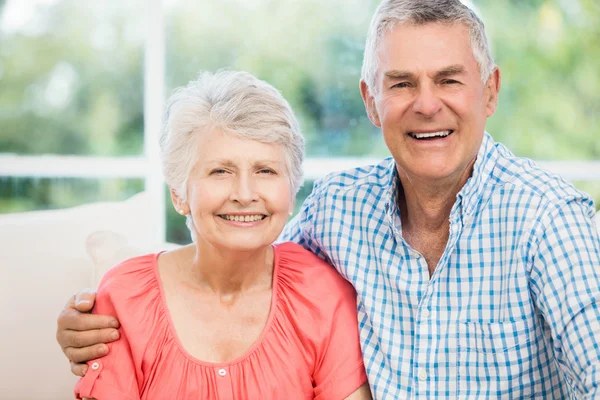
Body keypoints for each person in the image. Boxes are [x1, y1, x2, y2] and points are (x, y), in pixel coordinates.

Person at [58, 0, 600, 398]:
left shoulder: (549, 222)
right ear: (371, 99)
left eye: (450, 80)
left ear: (490, 91)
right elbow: (240, 255)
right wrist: (110, 310)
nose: (427, 104)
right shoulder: (336, 210)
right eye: (402, 83)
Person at [68, 70, 371, 399]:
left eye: (265, 170)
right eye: (220, 171)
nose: (245, 193)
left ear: (292, 191)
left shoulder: (322, 294)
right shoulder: (125, 296)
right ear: (179, 194)